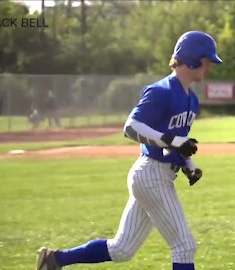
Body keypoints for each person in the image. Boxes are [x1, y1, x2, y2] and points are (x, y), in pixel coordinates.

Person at [36, 30, 222, 270]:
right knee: (184, 246)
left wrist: (189, 166)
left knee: (121, 249)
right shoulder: (161, 91)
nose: (209, 67)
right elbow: (131, 127)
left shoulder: (192, 100)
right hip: (151, 174)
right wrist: (174, 142)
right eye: (207, 61)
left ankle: (53, 260)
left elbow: (176, 142)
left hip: (157, 174)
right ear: (193, 58)